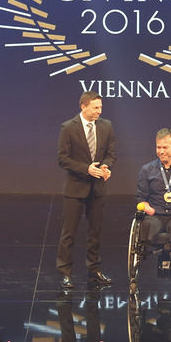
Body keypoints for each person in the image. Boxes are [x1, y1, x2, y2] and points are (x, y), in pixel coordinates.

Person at [56, 90, 116, 289]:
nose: (100, 111)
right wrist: (86, 169)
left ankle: (94, 270)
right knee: (69, 232)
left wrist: (105, 167)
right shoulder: (68, 128)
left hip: (97, 188)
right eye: (96, 107)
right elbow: (63, 159)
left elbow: (110, 155)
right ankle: (65, 273)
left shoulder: (106, 126)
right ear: (83, 106)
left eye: (101, 107)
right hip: (75, 187)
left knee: (95, 231)